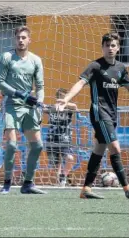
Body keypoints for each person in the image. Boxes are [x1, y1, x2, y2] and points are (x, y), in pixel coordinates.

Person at [56, 33, 129, 199]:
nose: (110, 48)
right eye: (107, 45)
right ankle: (127, 188)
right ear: (102, 47)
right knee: (115, 148)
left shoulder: (120, 69)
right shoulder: (95, 66)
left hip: (112, 114)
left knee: (99, 148)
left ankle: (86, 189)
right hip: (99, 112)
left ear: (118, 48)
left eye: (113, 45)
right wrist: (66, 99)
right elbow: (81, 83)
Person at [0, 26, 46, 195]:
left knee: (37, 145)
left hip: (29, 107)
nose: (21, 40)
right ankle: (7, 183)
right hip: (11, 104)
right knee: (11, 144)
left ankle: (28, 183)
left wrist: (39, 100)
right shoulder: (7, 57)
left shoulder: (36, 60)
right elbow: (0, 82)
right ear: (14, 39)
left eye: (24, 37)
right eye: (18, 37)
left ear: (29, 40)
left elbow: (40, 86)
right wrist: (21, 95)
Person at [45, 88, 77, 187]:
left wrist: (65, 103)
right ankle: (60, 181)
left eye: (64, 97)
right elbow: (41, 107)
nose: (61, 99)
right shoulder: (52, 108)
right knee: (56, 162)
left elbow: (75, 107)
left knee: (70, 158)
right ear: (57, 98)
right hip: (52, 138)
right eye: (60, 97)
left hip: (65, 139)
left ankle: (64, 175)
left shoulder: (69, 108)